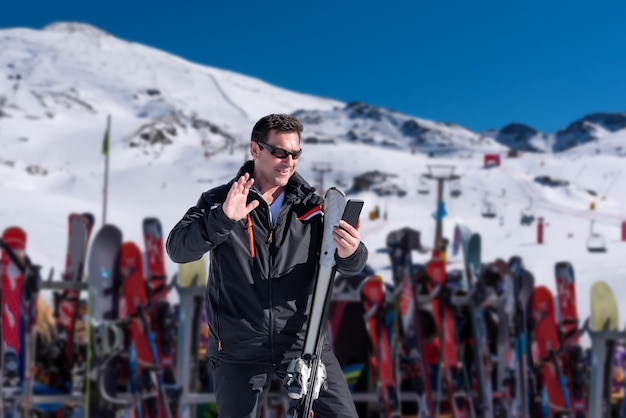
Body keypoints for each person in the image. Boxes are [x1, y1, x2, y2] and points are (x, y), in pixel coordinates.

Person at [166, 113, 368, 418]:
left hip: (303, 341)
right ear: (255, 149)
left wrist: (351, 252)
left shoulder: (313, 208)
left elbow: (348, 264)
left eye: (295, 154)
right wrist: (222, 218)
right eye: (279, 152)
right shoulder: (219, 200)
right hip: (238, 346)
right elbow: (178, 249)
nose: (288, 161)